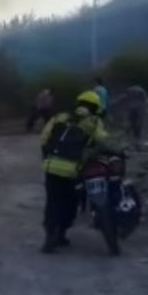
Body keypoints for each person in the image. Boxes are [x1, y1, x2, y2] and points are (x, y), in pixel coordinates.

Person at [39, 91, 109, 254]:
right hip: (73, 170)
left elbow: (43, 138)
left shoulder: (61, 117)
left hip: (51, 167)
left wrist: (47, 157)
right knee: (70, 202)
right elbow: (102, 140)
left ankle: (50, 235)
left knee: (53, 202)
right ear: (96, 107)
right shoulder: (92, 121)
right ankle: (61, 234)